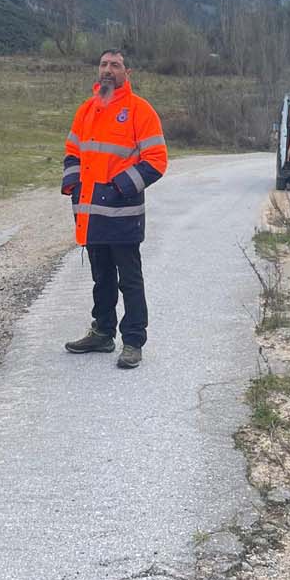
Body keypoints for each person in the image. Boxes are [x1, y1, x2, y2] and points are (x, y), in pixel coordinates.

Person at [61, 49, 168, 369]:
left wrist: (118, 188)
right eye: (104, 64)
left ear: (127, 71)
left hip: (122, 215)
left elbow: (156, 161)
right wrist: (74, 185)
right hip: (91, 214)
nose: (108, 70)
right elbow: (72, 152)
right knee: (101, 277)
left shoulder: (140, 111)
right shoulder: (86, 110)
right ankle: (103, 332)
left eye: (115, 65)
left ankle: (133, 341)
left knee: (129, 279)